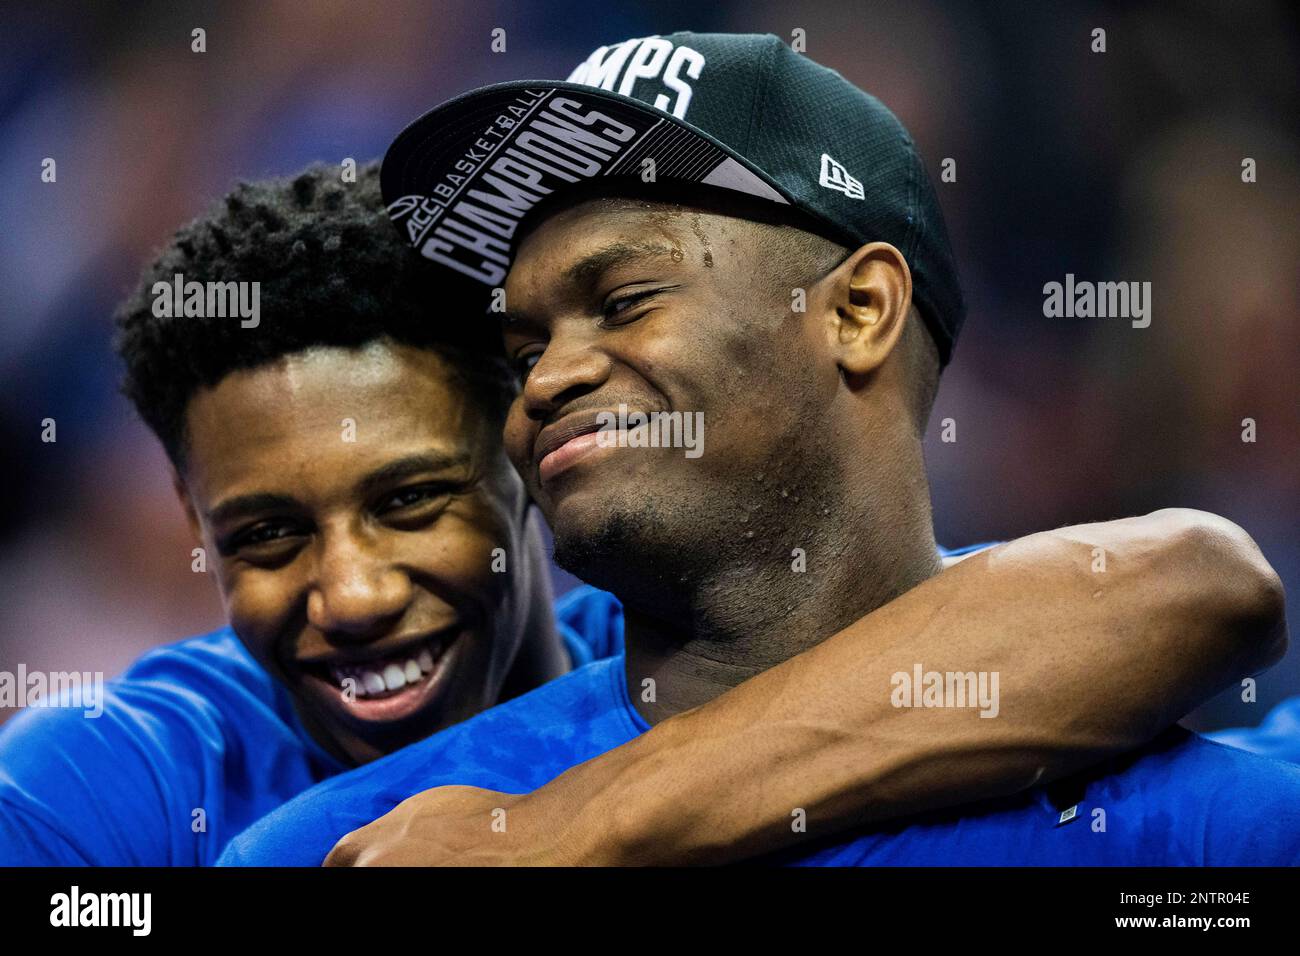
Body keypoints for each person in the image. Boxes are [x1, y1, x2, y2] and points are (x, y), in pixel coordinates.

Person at [0, 162, 1279, 866]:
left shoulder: (692, 636)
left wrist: (552, 829)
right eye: (267, 534)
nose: (351, 592)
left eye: (411, 502)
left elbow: (1192, 586)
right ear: (191, 519)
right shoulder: (112, 787)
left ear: (523, 452)